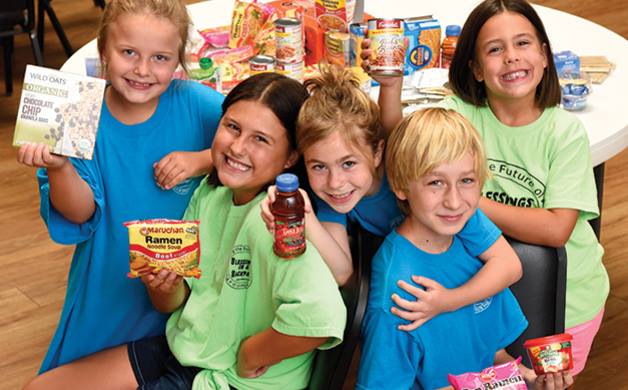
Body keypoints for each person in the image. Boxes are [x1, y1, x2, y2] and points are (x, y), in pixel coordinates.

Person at [23, 72, 346, 390]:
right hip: (187, 349)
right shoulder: (209, 193)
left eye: (260, 139)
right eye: (232, 127)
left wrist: (251, 354)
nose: (237, 147)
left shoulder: (276, 220)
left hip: (229, 377)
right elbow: (175, 304)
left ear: (291, 158)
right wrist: (164, 287)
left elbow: (320, 318)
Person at [366, 0, 609, 377]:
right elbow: (407, 145)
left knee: (544, 383)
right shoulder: (462, 113)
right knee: (495, 375)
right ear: (476, 69)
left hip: (566, 300)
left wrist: (470, 200)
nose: (511, 58)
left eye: (523, 44)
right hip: (482, 294)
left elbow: (556, 228)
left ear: (545, 57)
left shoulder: (564, 132)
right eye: (495, 49)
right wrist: (391, 88)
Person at [16, 0, 225, 372]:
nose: (143, 70)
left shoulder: (198, 104)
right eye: (129, 52)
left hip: (187, 298)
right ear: (103, 51)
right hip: (107, 286)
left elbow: (261, 145)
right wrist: (60, 166)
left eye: (160, 58)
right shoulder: (78, 109)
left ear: (178, 60)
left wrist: (203, 159)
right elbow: (79, 213)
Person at [262, 65, 522, 330]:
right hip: (414, 294)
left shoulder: (442, 197)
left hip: (472, 306)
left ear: (378, 154)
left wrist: (450, 300)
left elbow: (510, 265)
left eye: (348, 163)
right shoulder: (334, 197)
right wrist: (306, 218)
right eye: (319, 166)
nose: (335, 182)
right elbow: (342, 272)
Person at [356, 107, 573, 390]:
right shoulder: (400, 297)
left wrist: (532, 380)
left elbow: (493, 355)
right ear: (400, 186)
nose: (455, 202)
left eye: (467, 181)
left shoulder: (468, 234)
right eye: (436, 182)